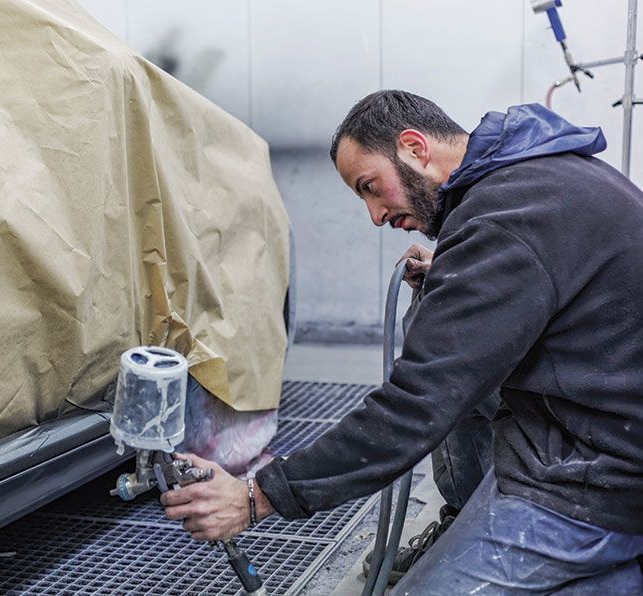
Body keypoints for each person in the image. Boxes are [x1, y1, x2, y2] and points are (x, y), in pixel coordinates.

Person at [161, 90, 643, 593]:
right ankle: (469, 520)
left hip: (602, 475)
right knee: (451, 352)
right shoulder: (530, 178)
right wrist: (454, 281)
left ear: (414, 148)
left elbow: (416, 404)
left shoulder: (503, 220)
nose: (375, 215)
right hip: (603, 422)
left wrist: (257, 495)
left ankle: (600, 563)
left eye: (371, 187)